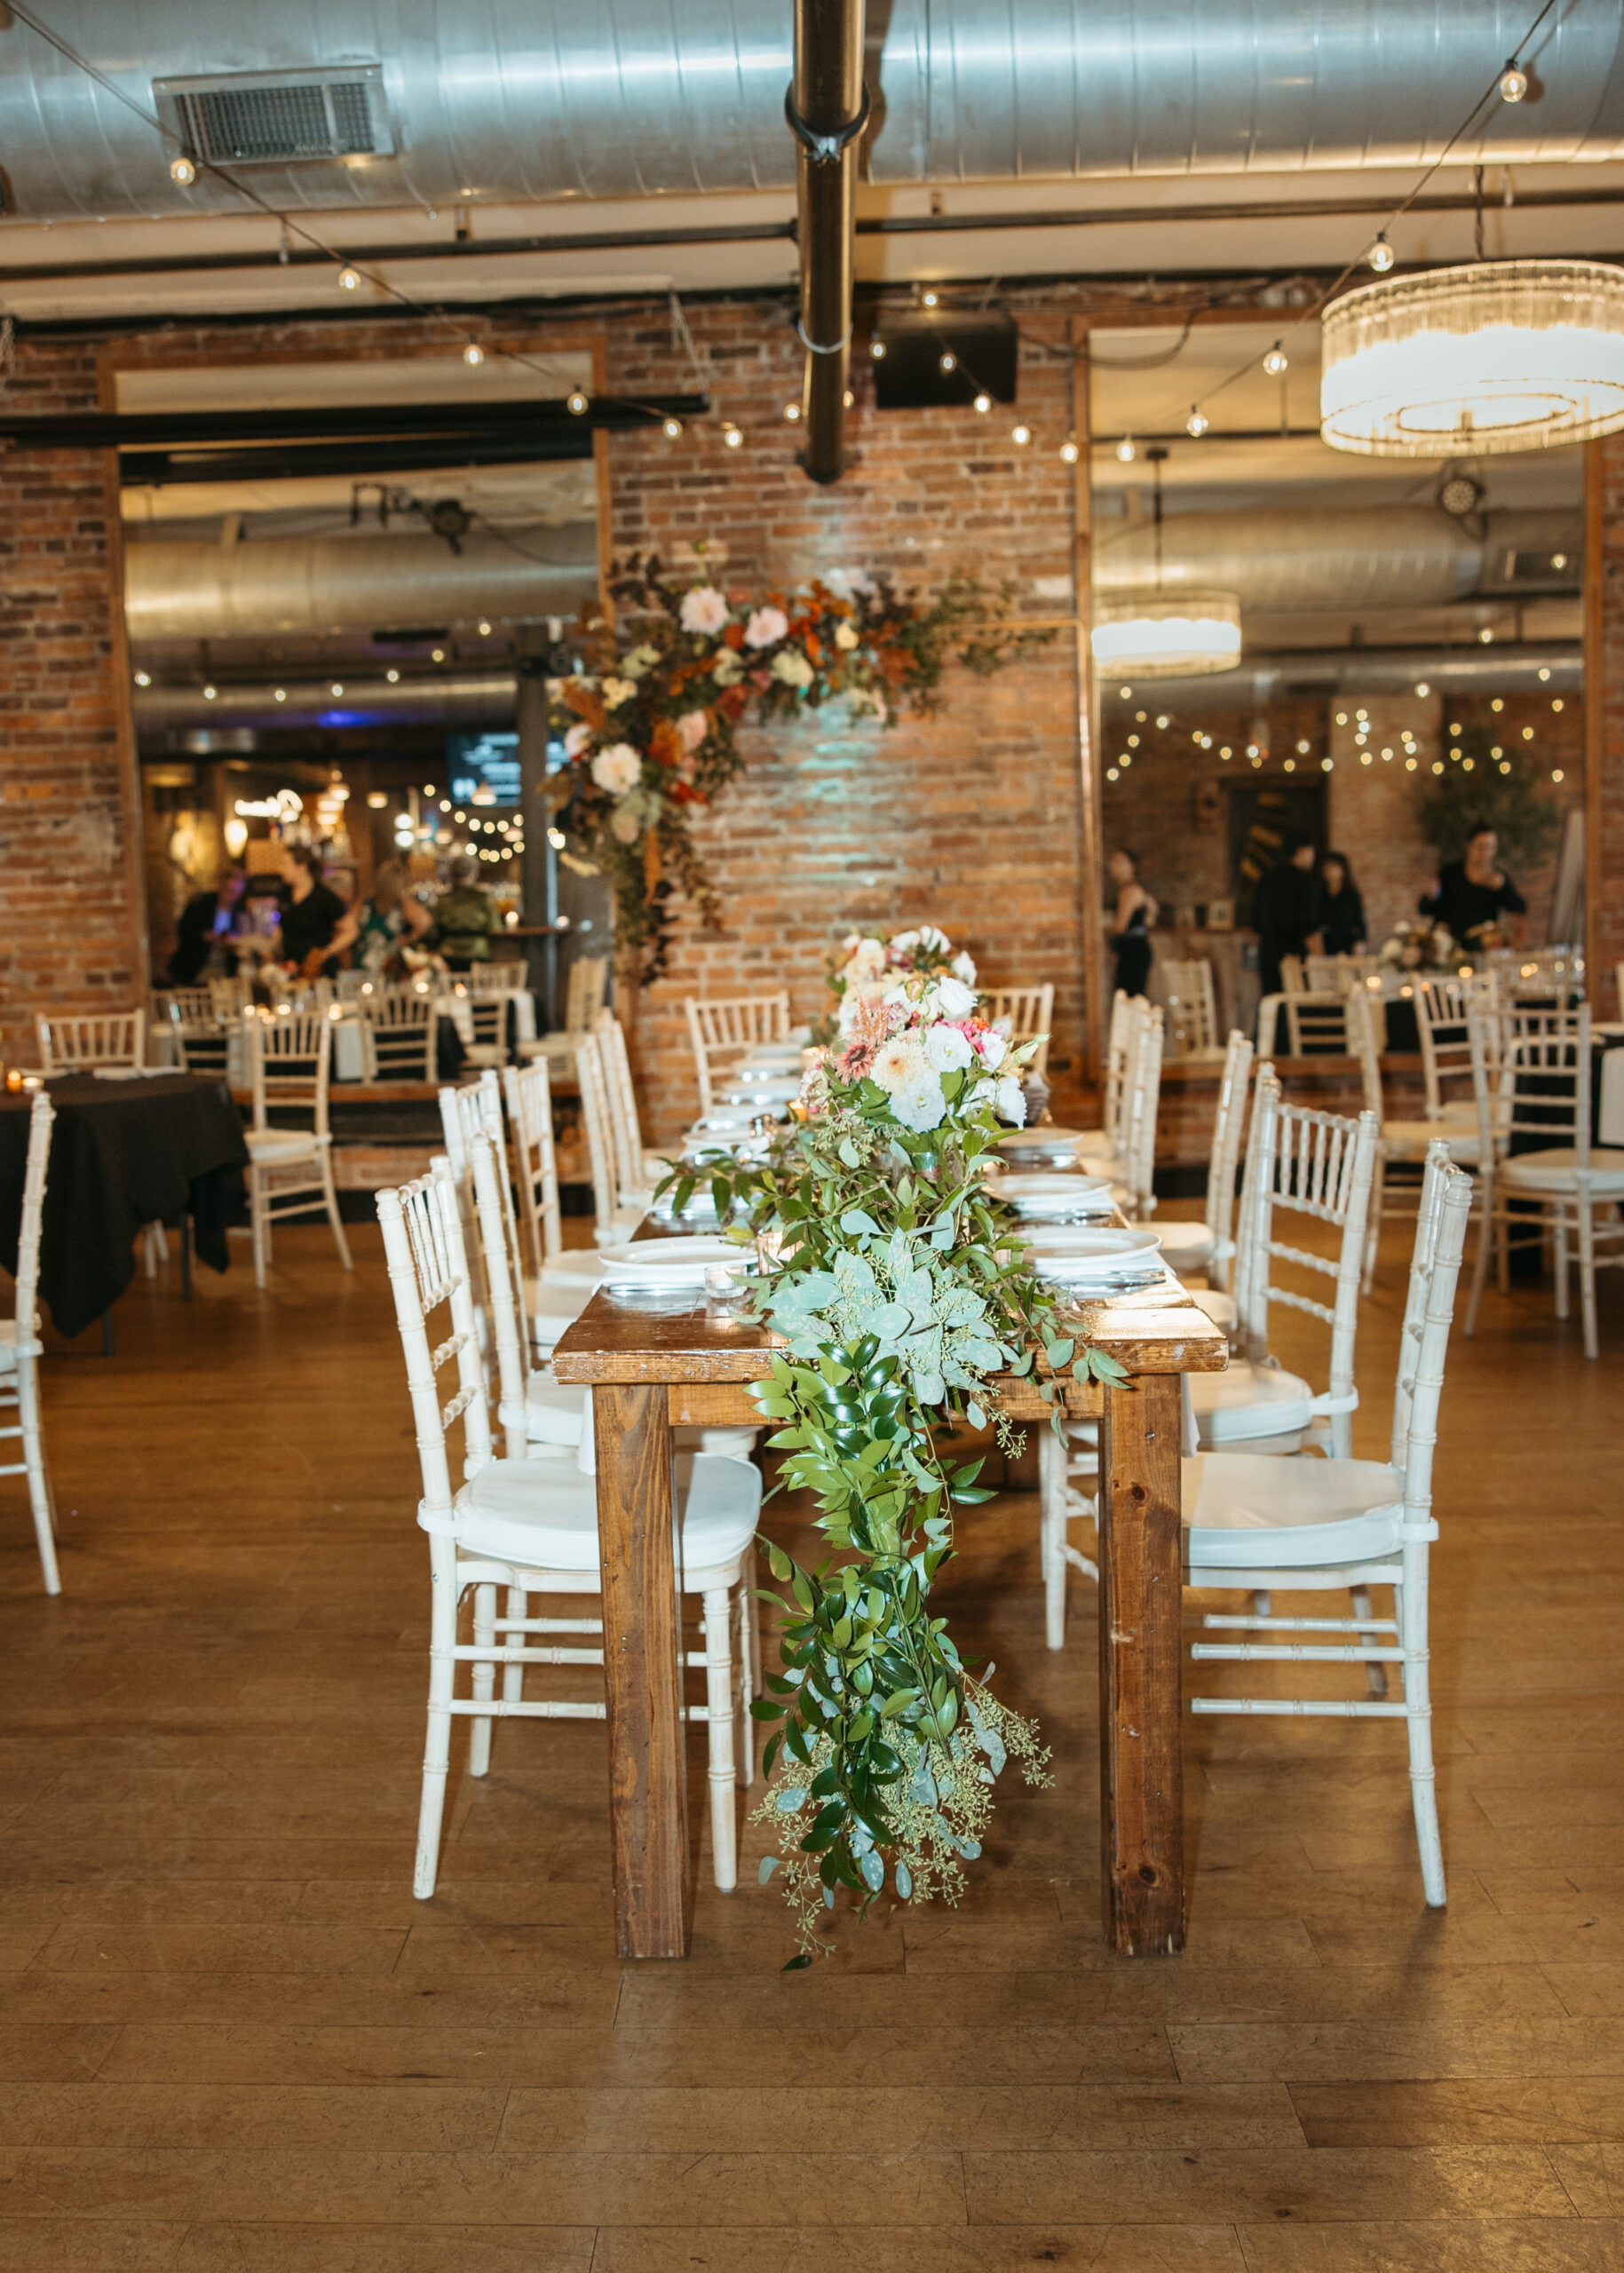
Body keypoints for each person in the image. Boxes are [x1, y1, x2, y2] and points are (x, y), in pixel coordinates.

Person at [1421, 824, 1526, 950]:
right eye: (1481, 847)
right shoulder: (1449, 874)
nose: (1486, 853)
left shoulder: (1498, 878)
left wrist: (1503, 889)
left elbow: (1519, 908)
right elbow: (1425, 909)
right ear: (1468, 845)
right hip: (1449, 946)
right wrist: (1430, 897)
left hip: (1482, 947)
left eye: (1491, 847)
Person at [1251, 834, 1323, 997]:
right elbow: (1308, 926)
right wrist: (1320, 961)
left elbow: (1256, 922)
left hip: (1268, 956)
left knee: (1272, 1008)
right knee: (1298, 1010)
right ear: (1301, 851)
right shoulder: (1303, 881)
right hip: (1296, 959)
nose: (1313, 857)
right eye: (1312, 851)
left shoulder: (1266, 878)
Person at [276, 843, 358, 976]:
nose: (280, 869)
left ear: (302, 867)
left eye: (285, 864)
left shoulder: (324, 896)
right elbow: (282, 931)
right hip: (291, 970)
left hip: (320, 972)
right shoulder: (284, 893)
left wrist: (324, 953)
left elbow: (351, 931)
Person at [353, 859, 432, 979]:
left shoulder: (366, 903)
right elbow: (424, 922)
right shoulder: (401, 904)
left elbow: (348, 927)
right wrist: (409, 938)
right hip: (390, 965)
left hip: (365, 961)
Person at [168, 865, 246, 985]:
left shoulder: (239, 911)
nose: (232, 896)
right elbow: (183, 930)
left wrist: (232, 941)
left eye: (236, 892)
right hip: (194, 966)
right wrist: (206, 936)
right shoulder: (201, 904)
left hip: (223, 969)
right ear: (221, 885)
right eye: (228, 890)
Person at [428, 856, 497, 971]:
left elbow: (432, 933)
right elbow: (495, 928)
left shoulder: (442, 900)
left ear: (451, 873)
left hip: (448, 956)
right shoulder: (484, 898)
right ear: (475, 872)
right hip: (478, 955)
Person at [1105, 847, 1157, 998]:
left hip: (1134, 951)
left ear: (1132, 866)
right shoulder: (1128, 890)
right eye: (1113, 861)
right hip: (1133, 948)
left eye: (1120, 861)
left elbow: (1120, 926)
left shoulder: (1130, 890)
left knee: (1131, 997)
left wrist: (1099, 928)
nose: (1115, 866)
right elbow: (1150, 916)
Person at [1318, 850, 1367, 958]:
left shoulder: (1351, 895)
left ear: (1343, 869)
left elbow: (1360, 923)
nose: (1329, 870)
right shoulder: (1319, 895)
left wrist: (1360, 942)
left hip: (1346, 946)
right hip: (1324, 947)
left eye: (1333, 866)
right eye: (1327, 867)